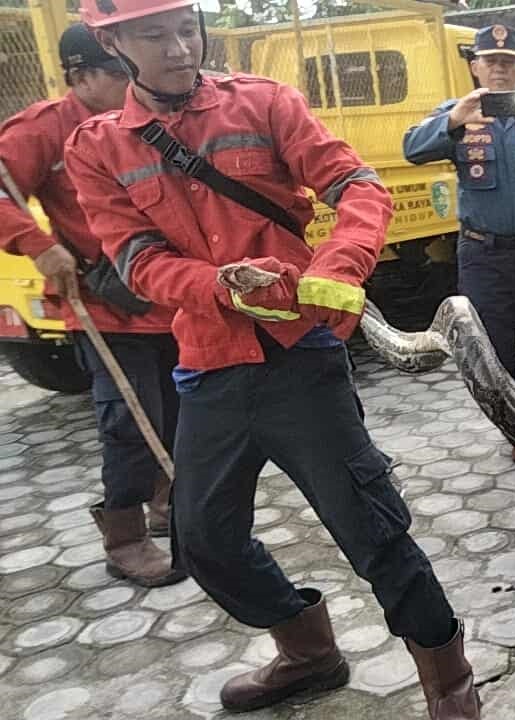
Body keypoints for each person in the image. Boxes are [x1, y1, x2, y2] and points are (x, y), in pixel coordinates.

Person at [66, 2, 477, 716]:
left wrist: (341, 264)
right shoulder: (97, 147)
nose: (178, 48)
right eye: (153, 35)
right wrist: (215, 285)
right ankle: (309, 653)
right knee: (204, 540)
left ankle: (452, 685)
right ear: (113, 42)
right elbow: (134, 259)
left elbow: (357, 186)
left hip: (302, 360)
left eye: (186, 29)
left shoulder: (265, 103)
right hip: (209, 369)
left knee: (373, 531)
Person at [0, 23, 184, 589]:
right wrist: (37, 243)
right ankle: (124, 535)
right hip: (106, 304)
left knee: (180, 409)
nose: (133, 82)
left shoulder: (149, 113)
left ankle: (171, 503)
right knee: (129, 417)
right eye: (117, 73)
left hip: (170, 290)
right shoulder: (43, 129)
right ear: (81, 77)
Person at [404, 24, 515, 468]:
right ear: (476, 67)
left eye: (508, 63)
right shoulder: (458, 112)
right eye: (491, 62)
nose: (500, 70)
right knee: (495, 352)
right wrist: (451, 122)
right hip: (482, 254)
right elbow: (411, 148)